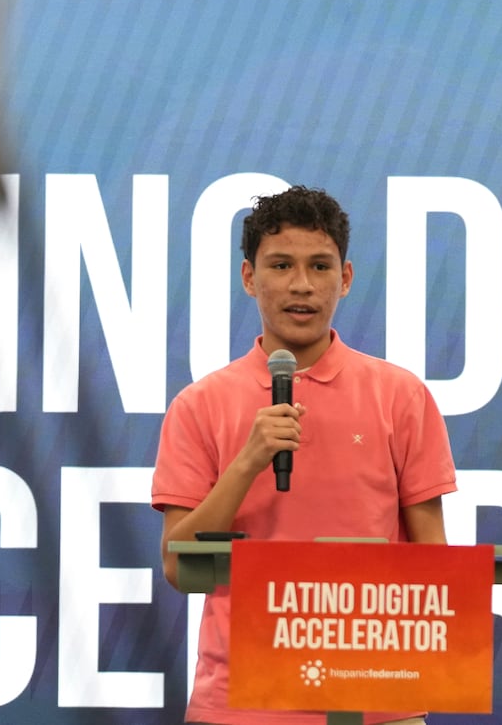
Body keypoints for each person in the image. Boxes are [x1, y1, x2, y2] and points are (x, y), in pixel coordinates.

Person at [152, 185, 457, 725]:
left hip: (377, 706)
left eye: (320, 266)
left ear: (345, 279)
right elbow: (181, 568)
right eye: (280, 265)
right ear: (249, 278)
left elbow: (431, 559)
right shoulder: (199, 406)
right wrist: (248, 459)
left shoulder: (401, 395)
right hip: (240, 707)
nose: (301, 285)